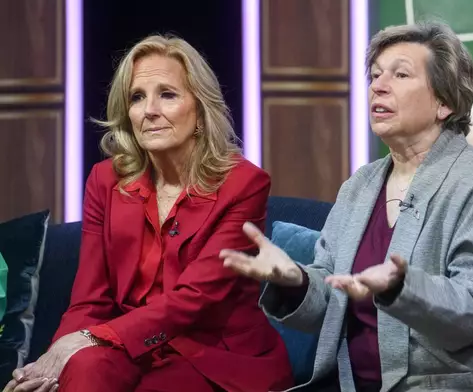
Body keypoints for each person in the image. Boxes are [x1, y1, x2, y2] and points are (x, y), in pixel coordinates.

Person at [220, 22, 473, 392]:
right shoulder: (360, 185)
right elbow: (332, 300)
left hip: (463, 382)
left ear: (444, 102)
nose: (378, 86)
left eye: (400, 74)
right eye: (374, 75)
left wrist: (403, 289)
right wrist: (297, 280)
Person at [3, 35, 293, 392]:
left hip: (213, 355)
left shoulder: (243, 184)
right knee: (83, 370)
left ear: (200, 111)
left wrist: (93, 339)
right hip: (128, 346)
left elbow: (194, 300)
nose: (149, 110)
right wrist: (55, 361)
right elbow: (90, 298)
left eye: (167, 94)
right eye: (137, 97)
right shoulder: (105, 181)